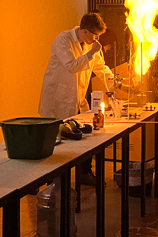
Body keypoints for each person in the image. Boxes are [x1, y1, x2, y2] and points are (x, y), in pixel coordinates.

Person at [39, 12, 114, 184]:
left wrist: (115, 84)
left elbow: (101, 68)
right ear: (85, 31)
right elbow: (72, 66)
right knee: (57, 139)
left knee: (88, 134)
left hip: (78, 97)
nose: (96, 39)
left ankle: (84, 173)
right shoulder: (63, 39)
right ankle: (53, 180)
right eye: (95, 35)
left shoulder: (91, 45)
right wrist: (90, 54)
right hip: (57, 98)